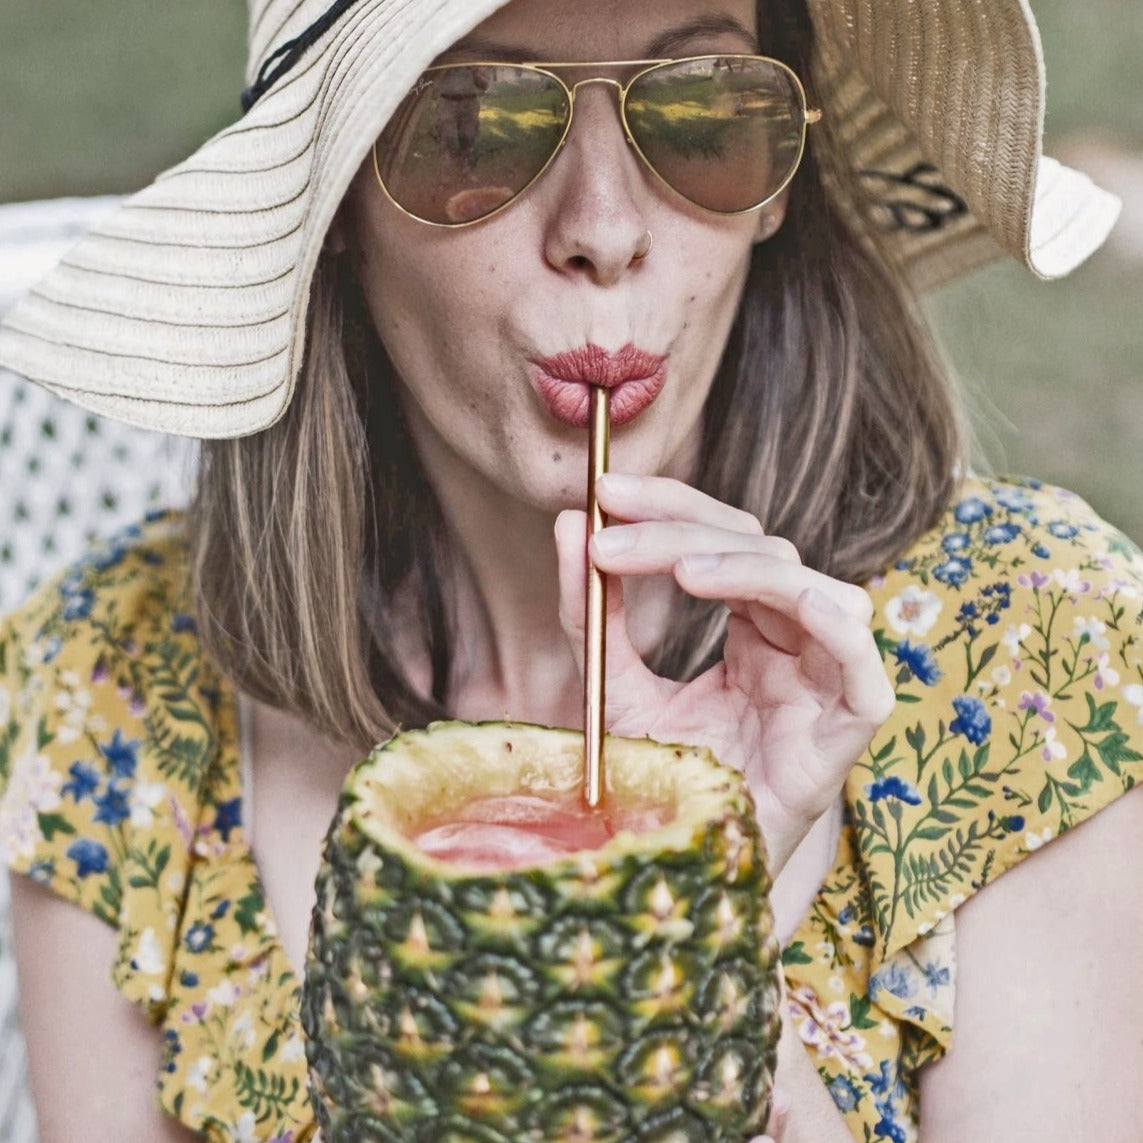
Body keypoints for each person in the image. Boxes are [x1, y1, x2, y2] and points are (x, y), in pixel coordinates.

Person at [0, 0, 1139, 1139]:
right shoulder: (114, 692)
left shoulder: (1025, 655)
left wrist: (692, 947)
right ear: (337, 190)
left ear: (779, 179)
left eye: (705, 111)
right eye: (476, 125)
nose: (605, 228)